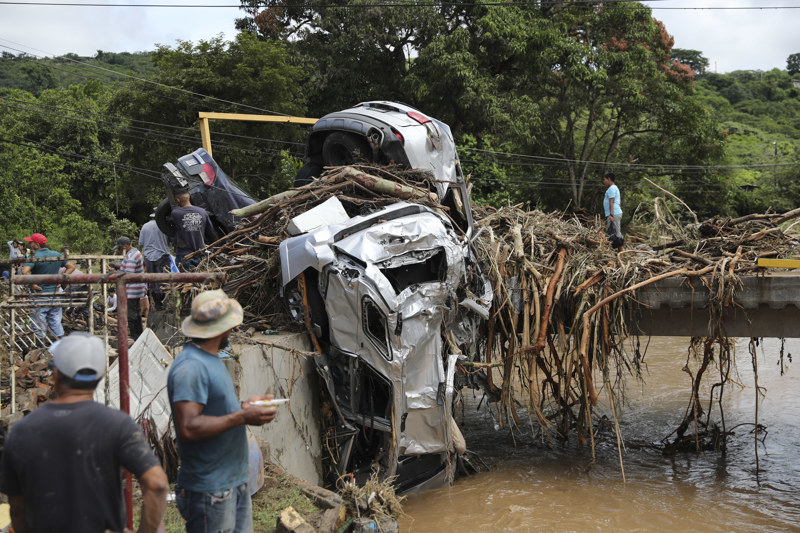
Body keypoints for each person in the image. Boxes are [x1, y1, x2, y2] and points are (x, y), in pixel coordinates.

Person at [0, 332, 168, 532]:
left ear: (56, 375)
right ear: (101, 376)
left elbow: (17, 507)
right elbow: (157, 484)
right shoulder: (118, 425)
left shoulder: (22, 430)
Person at [168, 289, 277, 533]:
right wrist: (241, 416)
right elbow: (188, 426)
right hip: (210, 491)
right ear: (221, 328)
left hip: (232, 482)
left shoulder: (210, 359)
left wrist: (244, 407)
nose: (233, 330)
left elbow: (215, 412)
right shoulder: (190, 368)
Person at [21, 233, 75, 340]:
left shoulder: (34, 256)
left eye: (30, 242)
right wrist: (61, 278)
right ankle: (59, 347)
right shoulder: (57, 254)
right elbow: (71, 267)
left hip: (40, 294)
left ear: (37, 245)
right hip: (55, 294)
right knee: (55, 321)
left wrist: (32, 283)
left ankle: (40, 348)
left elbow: (25, 271)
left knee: (38, 322)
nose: (29, 244)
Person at [170, 191, 218, 271]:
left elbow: (171, 228)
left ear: (178, 200)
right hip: (200, 254)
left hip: (184, 255)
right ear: (189, 197)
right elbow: (210, 231)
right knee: (201, 280)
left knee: (188, 282)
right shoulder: (203, 212)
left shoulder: (175, 213)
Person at [113, 236, 147, 341]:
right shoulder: (132, 254)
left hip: (132, 290)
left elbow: (128, 274)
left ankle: (135, 336)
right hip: (134, 289)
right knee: (135, 314)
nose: (119, 250)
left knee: (132, 315)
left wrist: (116, 273)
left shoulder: (132, 256)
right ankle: (138, 336)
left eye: (119, 248)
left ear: (125, 246)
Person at [139, 212, 172, 309]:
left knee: (152, 280)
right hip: (162, 255)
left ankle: (156, 304)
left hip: (149, 257)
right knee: (164, 280)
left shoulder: (145, 226)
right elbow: (172, 240)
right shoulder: (165, 225)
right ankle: (164, 303)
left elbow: (141, 242)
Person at [603, 172, 624, 251]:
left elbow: (611, 201)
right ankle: (617, 251)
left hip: (614, 214)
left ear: (609, 179)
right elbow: (619, 201)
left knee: (616, 233)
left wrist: (611, 214)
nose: (604, 181)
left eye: (604, 180)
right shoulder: (614, 188)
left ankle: (620, 253)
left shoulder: (612, 188)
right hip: (614, 213)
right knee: (613, 232)